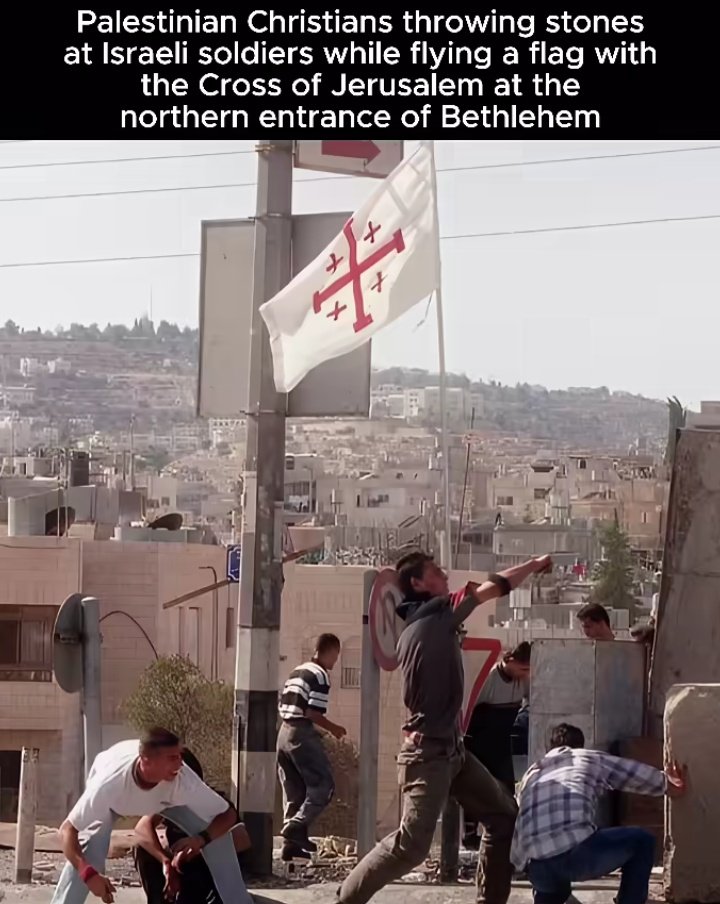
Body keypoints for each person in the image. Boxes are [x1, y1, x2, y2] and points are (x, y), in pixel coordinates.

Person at [336, 552, 553, 904]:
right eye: (436, 573)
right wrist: (532, 564)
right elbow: (495, 587)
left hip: (453, 751)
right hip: (429, 754)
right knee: (411, 846)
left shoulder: (422, 623)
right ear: (418, 585)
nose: (444, 575)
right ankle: (346, 899)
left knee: (503, 816)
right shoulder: (435, 613)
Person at [51, 727, 251, 904]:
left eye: (180, 756)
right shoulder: (108, 786)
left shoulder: (183, 780)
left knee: (217, 839)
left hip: (169, 803)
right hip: (113, 802)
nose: (180, 763)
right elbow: (67, 830)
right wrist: (88, 874)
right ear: (146, 760)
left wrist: (201, 839)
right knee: (91, 855)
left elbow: (228, 814)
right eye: (172, 758)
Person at [511, 723, 687, 904]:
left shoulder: (530, 775)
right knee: (642, 841)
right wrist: (667, 785)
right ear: (580, 745)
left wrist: (520, 863)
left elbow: (519, 821)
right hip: (577, 856)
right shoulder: (584, 757)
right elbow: (629, 773)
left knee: (553, 884)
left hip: (536, 869)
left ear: (548, 748)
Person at [133, 748, 251, 904]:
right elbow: (142, 829)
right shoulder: (169, 801)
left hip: (207, 871)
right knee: (142, 849)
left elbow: (242, 839)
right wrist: (165, 861)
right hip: (177, 868)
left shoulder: (213, 803)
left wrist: (199, 844)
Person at [277, 632, 346, 861]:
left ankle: (292, 845)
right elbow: (312, 712)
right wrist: (334, 728)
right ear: (331, 651)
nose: (335, 662)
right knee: (323, 785)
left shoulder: (297, 671)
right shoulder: (320, 675)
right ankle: (296, 826)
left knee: (294, 791)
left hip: (283, 733)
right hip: (301, 732)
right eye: (336, 656)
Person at [462, 641, 532, 849]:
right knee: (474, 790)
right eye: (522, 668)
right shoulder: (489, 678)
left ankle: (505, 835)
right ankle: (470, 834)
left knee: (505, 791)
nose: (524, 673)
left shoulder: (524, 681)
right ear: (509, 661)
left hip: (502, 743)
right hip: (480, 741)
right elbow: (469, 709)